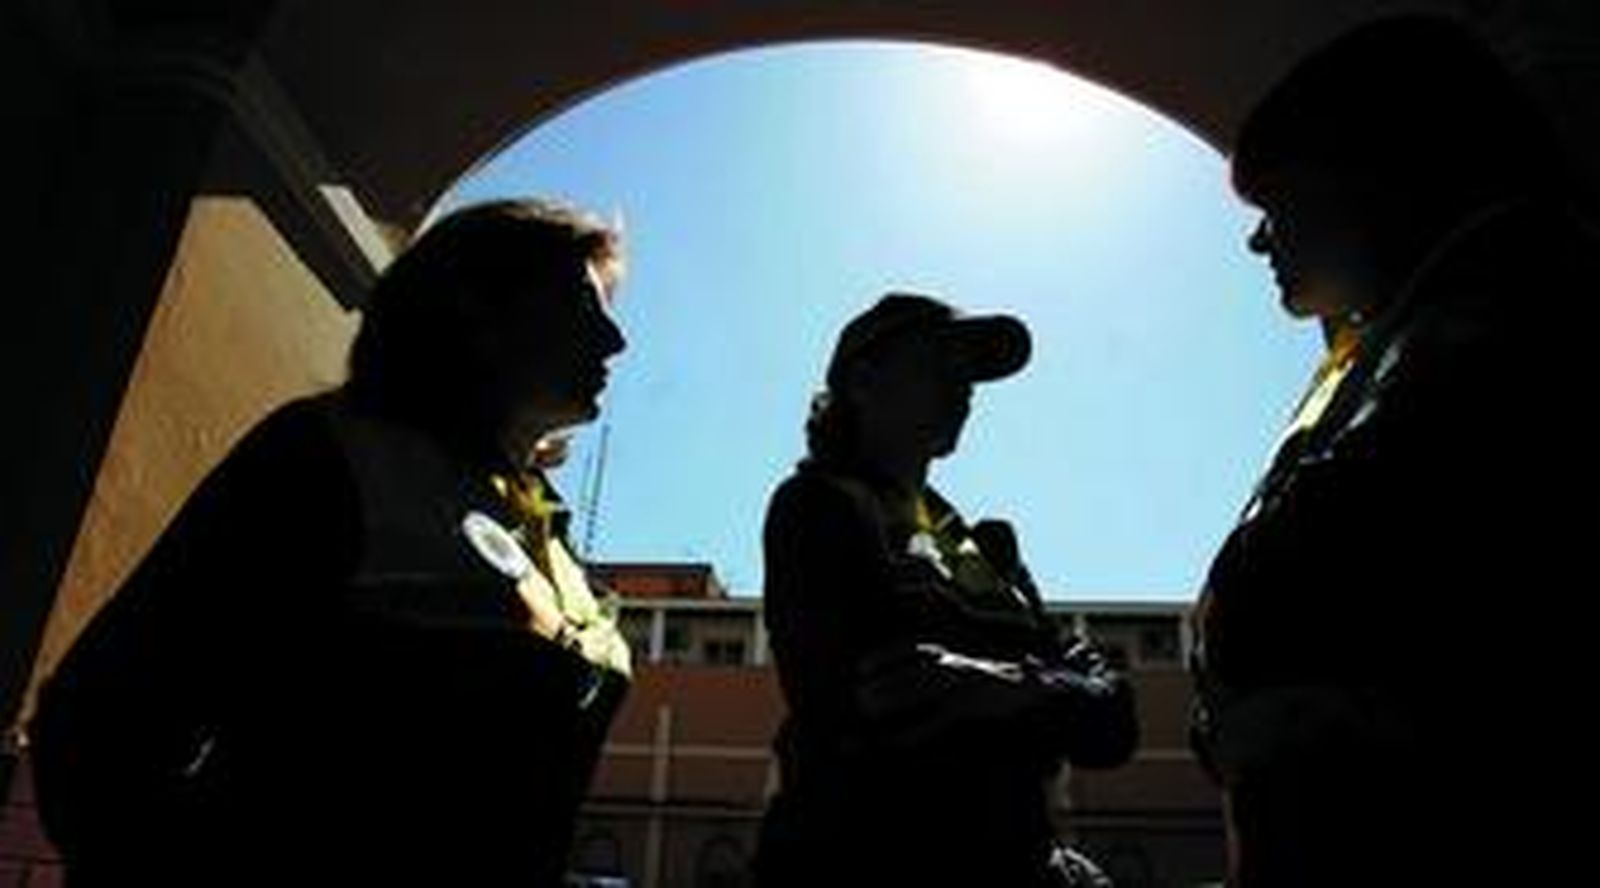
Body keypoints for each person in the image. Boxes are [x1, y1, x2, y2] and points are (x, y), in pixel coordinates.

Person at [30, 199, 634, 886]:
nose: (615, 341)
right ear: (476, 308)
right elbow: (99, 733)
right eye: (581, 305)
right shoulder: (329, 456)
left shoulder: (547, 530)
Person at [1189, 15, 1598, 886]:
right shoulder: (1415, 332)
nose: (1259, 240)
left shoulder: (1510, 309)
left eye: (1275, 201)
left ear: (1370, 172)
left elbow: (1327, 570)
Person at [754, 294, 1137, 888]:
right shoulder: (818, 505)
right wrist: (1041, 699)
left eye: (971, 373)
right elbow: (867, 705)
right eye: (940, 361)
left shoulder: (981, 544)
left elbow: (1112, 722)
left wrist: (1000, 685)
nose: (965, 388)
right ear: (863, 379)